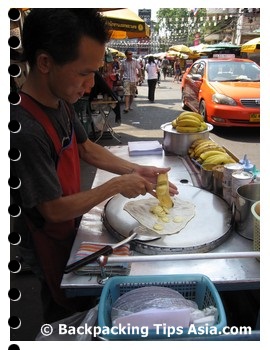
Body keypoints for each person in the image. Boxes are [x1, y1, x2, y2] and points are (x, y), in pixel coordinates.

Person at [10, 8, 178, 323]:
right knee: (61, 307)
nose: (91, 85)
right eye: (84, 73)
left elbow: (86, 148)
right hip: (45, 235)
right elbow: (53, 210)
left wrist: (134, 172)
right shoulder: (25, 128)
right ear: (45, 63)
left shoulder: (59, 101)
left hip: (68, 226)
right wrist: (115, 186)